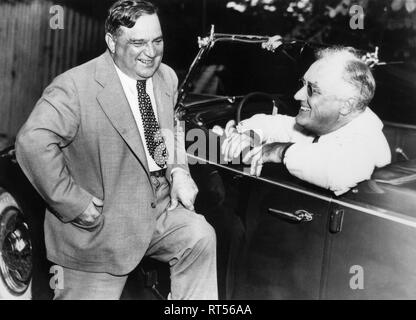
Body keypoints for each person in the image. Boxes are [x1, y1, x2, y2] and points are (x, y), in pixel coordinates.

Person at [15, 0, 217, 300]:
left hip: (157, 208)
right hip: (99, 227)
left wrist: (178, 171)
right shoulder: (74, 86)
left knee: (200, 236)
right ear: (112, 41)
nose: (151, 53)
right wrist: (74, 203)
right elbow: (32, 142)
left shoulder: (167, 77)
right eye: (138, 43)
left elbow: (173, 127)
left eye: (157, 41)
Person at [221, 45, 391, 195]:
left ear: (347, 105)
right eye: (303, 84)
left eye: (312, 89)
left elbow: (340, 172)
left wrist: (279, 151)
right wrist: (249, 134)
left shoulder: (368, 141)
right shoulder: (331, 125)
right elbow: (276, 124)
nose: (297, 95)